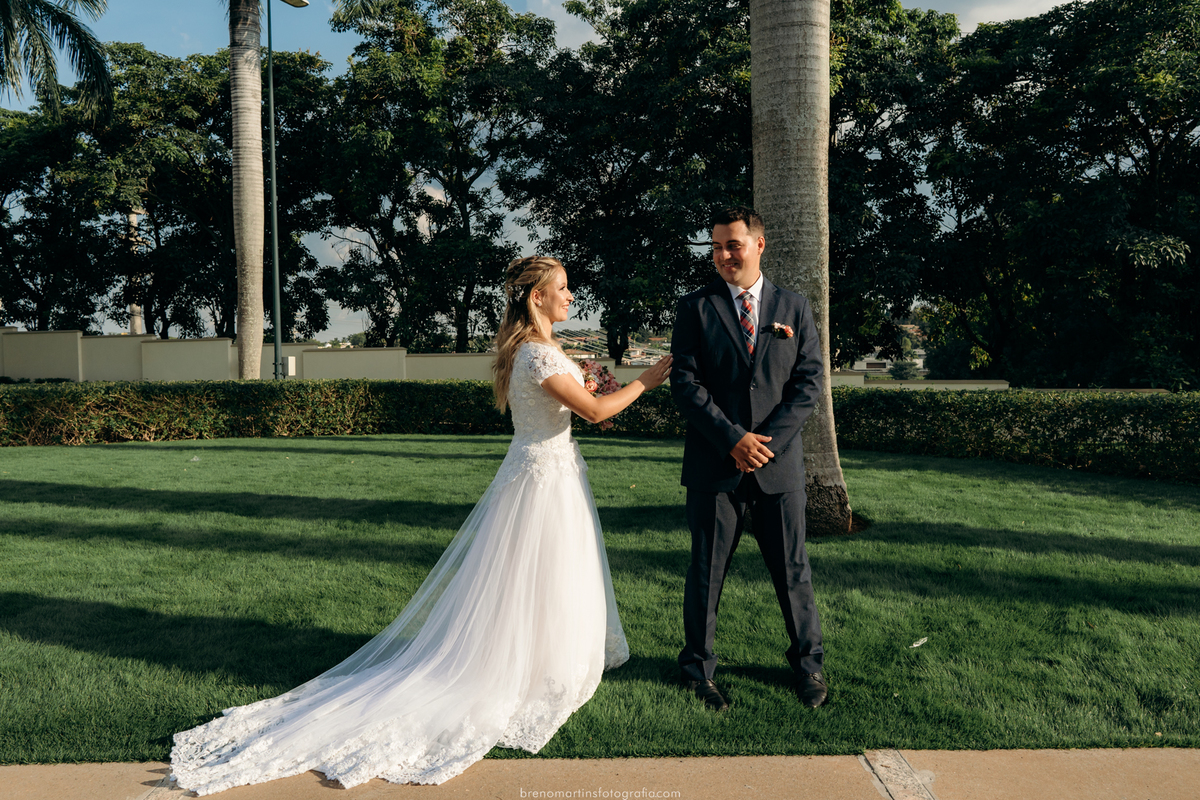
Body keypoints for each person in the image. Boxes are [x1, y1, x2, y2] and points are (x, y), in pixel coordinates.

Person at [170, 256, 672, 795]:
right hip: (542, 481)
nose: (571, 296)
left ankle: (543, 658)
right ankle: (524, 668)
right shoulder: (534, 355)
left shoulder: (543, 351)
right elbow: (596, 413)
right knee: (540, 569)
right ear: (536, 298)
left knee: (549, 573)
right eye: (564, 288)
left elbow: (580, 401)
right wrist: (645, 381)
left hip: (551, 473)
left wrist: (599, 376)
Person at [669, 206, 827, 711]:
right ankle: (698, 670)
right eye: (715, 246)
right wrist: (733, 439)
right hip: (715, 465)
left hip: (778, 470)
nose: (722, 255)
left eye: (732, 245)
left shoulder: (795, 308)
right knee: (705, 571)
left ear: (759, 244)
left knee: (793, 571)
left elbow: (807, 386)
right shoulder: (694, 308)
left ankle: (808, 667)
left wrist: (764, 444)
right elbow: (686, 384)